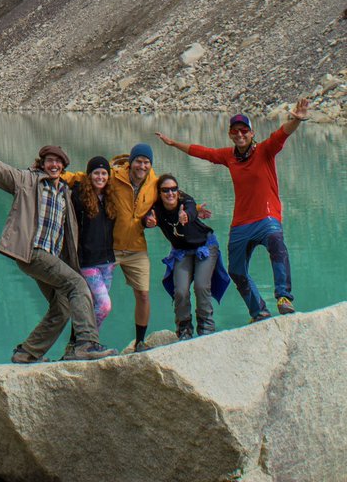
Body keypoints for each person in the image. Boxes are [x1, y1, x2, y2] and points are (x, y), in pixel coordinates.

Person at [0, 128, 117, 362]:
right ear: (42, 163)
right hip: (32, 251)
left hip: (48, 257)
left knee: (62, 305)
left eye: (58, 162)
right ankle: (85, 343)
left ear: (63, 166)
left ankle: (27, 353)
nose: (54, 165)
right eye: (50, 161)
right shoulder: (27, 180)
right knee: (77, 284)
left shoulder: (64, 191)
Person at [156, 99, 310, 320]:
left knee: (276, 243)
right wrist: (173, 144)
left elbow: (282, 133)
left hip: (267, 218)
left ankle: (283, 297)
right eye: (235, 131)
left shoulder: (265, 150)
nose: (240, 134)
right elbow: (203, 152)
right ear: (230, 134)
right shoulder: (229, 156)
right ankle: (259, 311)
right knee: (237, 272)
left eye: (244, 130)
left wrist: (296, 119)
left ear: (251, 132)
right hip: (241, 224)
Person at [68, 142, 158, 350]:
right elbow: (84, 176)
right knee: (96, 302)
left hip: (132, 248)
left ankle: (139, 342)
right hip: (110, 249)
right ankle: (80, 342)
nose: (142, 166)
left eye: (146, 162)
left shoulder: (154, 183)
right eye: (138, 161)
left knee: (142, 294)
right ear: (131, 162)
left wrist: (192, 210)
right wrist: (56, 174)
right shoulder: (114, 177)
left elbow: (171, 197)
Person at [144, 173, 230, 338]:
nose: (170, 193)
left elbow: (190, 209)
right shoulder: (156, 210)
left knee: (201, 285)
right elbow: (145, 219)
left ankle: (206, 326)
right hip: (181, 251)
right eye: (165, 190)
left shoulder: (186, 201)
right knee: (181, 291)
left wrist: (187, 216)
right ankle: (184, 328)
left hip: (205, 246)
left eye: (174, 189)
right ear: (159, 193)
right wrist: (147, 222)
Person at [70, 156, 117, 331]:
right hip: (88, 262)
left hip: (108, 262)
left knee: (92, 305)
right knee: (104, 305)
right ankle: (88, 338)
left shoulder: (110, 198)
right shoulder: (80, 197)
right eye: (96, 173)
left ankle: (82, 342)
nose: (100, 177)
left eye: (104, 173)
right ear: (89, 175)